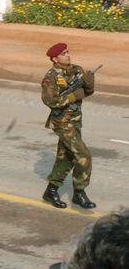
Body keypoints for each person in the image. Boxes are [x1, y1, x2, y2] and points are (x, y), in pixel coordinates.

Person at [40, 43, 97, 210]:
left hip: (75, 119)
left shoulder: (77, 70)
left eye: (67, 52)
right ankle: (79, 193)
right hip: (62, 122)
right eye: (63, 54)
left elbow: (87, 92)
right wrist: (73, 96)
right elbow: (50, 101)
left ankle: (51, 191)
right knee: (83, 156)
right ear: (55, 59)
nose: (68, 55)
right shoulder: (50, 77)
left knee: (65, 157)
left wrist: (89, 83)